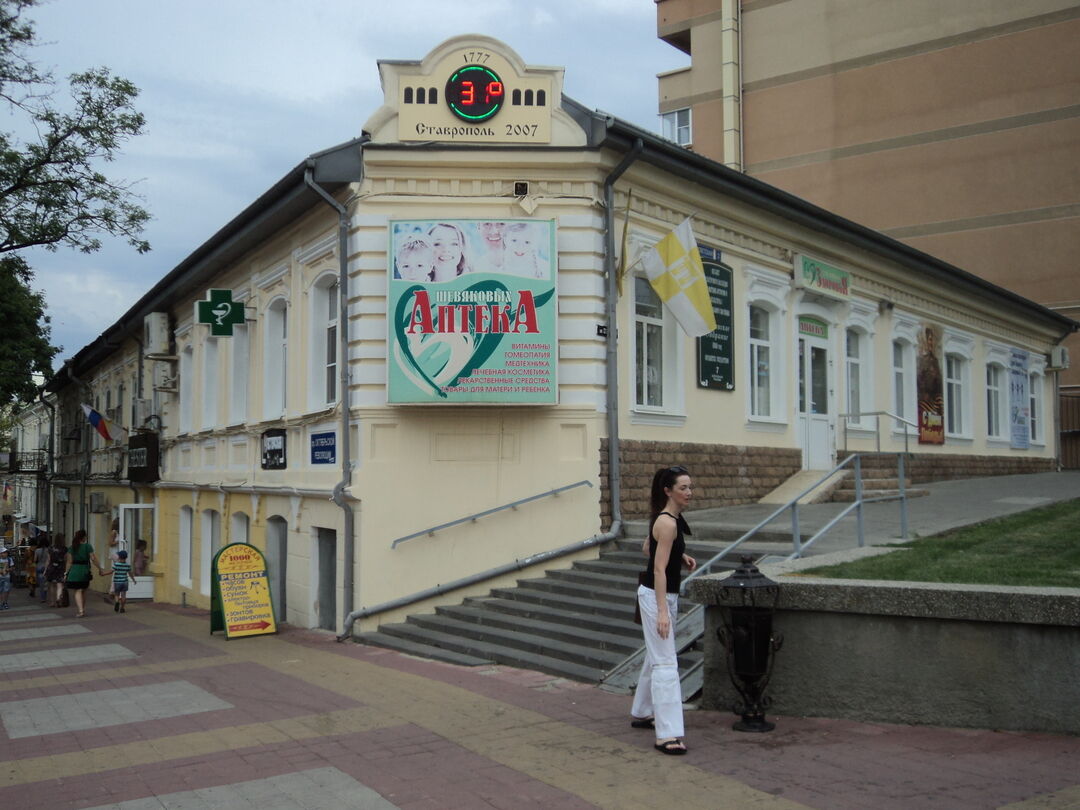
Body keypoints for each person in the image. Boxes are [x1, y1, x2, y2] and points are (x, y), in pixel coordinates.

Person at [630, 465, 697, 755]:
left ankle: (643, 710)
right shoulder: (667, 522)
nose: (689, 492)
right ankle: (667, 734)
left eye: (690, 487)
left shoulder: (667, 519)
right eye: (683, 488)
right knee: (666, 663)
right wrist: (661, 612)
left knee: (656, 654)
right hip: (657, 596)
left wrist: (678, 554)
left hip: (660, 594)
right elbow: (657, 568)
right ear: (668, 491)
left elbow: (649, 548)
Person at [64, 529, 101, 618]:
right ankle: (82, 609)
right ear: (83, 537)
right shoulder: (88, 546)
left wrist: (66, 573)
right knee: (83, 590)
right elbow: (93, 558)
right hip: (84, 570)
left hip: (74, 571)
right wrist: (100, 568)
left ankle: (81, 610)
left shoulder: (72, 547)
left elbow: (69, 562)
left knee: (77, 590)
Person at [44, 533, 67, 607]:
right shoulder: (65, 549)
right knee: (60, 585)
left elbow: (48, 560)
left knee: (52, 586)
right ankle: (58, 598)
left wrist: (45, 570)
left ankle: (52, 602)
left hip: (52, 567)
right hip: (61, 568)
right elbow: (66, 560)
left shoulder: (50, 548)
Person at [33, 536, 50, 603]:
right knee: (46, 583)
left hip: (39, 567)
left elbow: (35, 560)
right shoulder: (49, 550)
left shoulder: (37, 550)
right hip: (47, 567)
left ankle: (42, 598)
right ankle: (45, 596)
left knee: (41, 584)